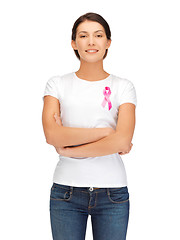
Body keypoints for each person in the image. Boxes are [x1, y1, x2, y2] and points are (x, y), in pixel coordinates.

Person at [42, 12, 137, 240]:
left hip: (112, 193)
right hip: (66, 192)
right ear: (74, 43)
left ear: (108, 42)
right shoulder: (57, 84)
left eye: (98, 35)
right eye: (83, 36)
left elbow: (122, 140)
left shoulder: (123, 87)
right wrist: (106, 134)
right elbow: (52, 134)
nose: (91, 42)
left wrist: (69, 149)